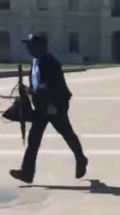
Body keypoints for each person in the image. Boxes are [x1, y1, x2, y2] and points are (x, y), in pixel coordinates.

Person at [10, 34, 88, 184]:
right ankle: (27, 173)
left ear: (40, 46)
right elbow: (35, 82)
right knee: (33, 140)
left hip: (54, 105)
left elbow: (50, 85)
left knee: (67, 134)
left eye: (31, 45)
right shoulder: (35, 61)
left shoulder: (50, 62)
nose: (28, 48)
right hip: (41, 107)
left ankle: (81, 158)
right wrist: (27, 91)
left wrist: (33, 91)